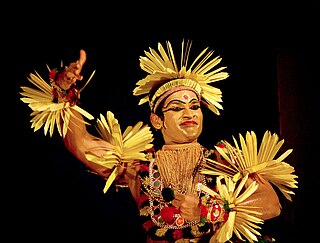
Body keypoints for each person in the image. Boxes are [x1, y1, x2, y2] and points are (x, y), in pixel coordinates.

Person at [21, 40, 297, 243]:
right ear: (157, 120)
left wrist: (210, 211)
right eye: (177, 107)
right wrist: (64, 90)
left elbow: (272, 204)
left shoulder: (224, 159)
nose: (189, 113)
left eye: (195, 106)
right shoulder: (138, 164)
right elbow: (81, 145)